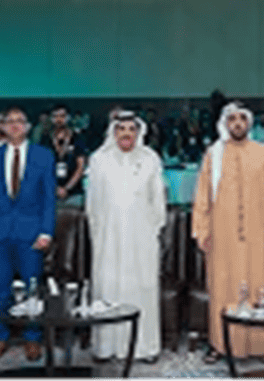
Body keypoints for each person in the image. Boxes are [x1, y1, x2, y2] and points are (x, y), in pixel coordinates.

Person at [191, 102, 264, 364]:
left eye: (242, 119)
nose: (237, 124)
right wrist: (201, 230)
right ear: (225, 123)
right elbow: (202, 196)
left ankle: (262, 345)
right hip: (221, 235)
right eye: (232, 119)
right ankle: (219, 344)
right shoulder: (214, 155)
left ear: (249, 123)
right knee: (223, 290)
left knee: (260, 289)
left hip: (259, 235)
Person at [0, 106, 55, 362]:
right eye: (10, 121)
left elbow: (49, 199)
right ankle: (0, 336)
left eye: (20, 121)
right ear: (3, 127)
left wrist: (46, 231)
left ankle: (33, 338)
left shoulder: (44, 156)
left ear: (28, 126)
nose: (15, 125)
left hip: (31, 234)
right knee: (0, 289)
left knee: (32, 288)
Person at [85, 111, 166, 362]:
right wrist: (99, 234)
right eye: (121, 129)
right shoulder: (99, 159)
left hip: (141, 238)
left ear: (139, 132)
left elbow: (157, 202)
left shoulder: (150, 159)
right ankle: (106, 347)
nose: (126, 134)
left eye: (132, 129)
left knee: (142, 288)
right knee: (108, 287)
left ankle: (145, 347)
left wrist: (151, 232)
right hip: (108, 237)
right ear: (114, 132)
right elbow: (93, 203)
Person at [44, 105, 87, 203]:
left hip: (74, 193)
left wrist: (66, 188)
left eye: (62, 116)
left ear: (68, 118)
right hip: (51, 192)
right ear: (51, 119)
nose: (59, 119)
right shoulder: (46, 140)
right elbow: (41, 167)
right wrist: (55, 188)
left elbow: (80, 167)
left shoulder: (77, 138)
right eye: (55, 116)